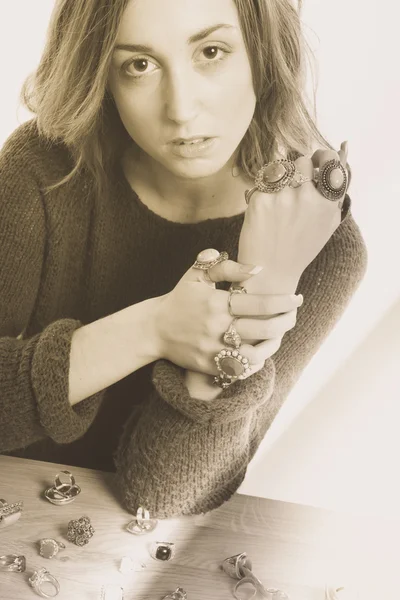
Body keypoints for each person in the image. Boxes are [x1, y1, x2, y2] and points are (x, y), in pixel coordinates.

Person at [0, 0, 367, 519]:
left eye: (211, 51)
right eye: (139, 65)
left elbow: (163, 497)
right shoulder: (45, 170)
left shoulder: (319, 246)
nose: (181, 108)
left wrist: (263, 285)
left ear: (263, 53)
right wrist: (152, 329)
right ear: (102, 73)